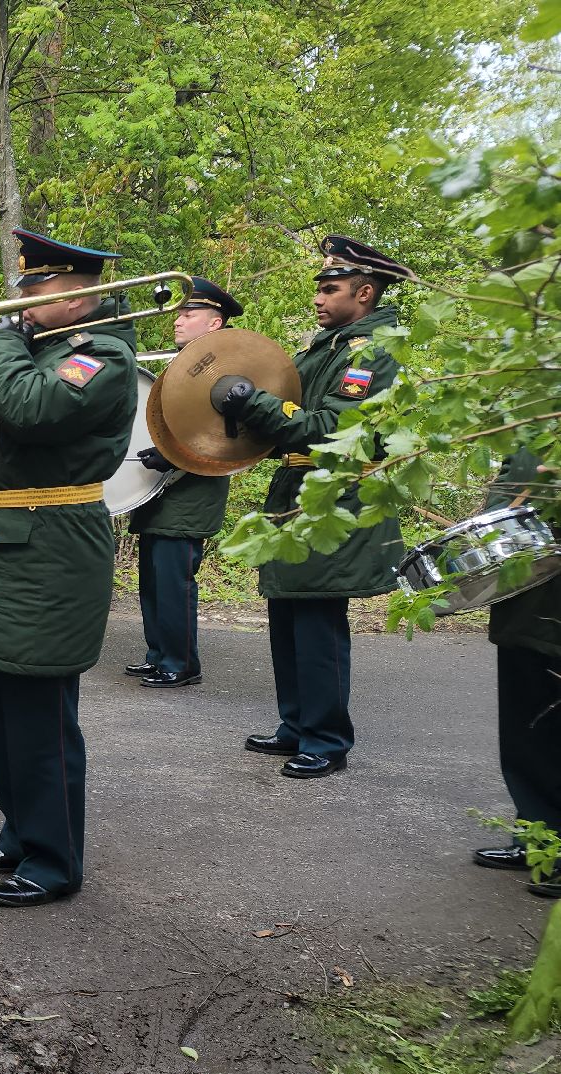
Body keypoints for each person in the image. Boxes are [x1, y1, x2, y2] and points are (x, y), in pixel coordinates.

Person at [0, 228, 136, 908]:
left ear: (78, 297)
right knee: (3, 706)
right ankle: (20, 833)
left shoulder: (97, 356)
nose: (20, 303)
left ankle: (54, 860)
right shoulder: (29, 350)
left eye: (34, 291)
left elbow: (31, 411)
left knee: (41, 717)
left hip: (47, 549)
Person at [220, 235, 408, 780]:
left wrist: (252, 404)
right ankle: (297, 724)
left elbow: (334, 429)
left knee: (318, 623)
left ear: (366, 292)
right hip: (301, 496)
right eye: (320, 287)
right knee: (289, 616)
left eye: (332, 288)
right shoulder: (328, 345)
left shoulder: (371, 351)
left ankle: (326, 739)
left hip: (335, 502)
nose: (319, 297)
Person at [124, 277, 239, 689]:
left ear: (214, 323)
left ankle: (181, 662)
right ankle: (160, 654)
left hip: (191, 490)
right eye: (179, 312)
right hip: (161, 488)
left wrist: (171, 458)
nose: (178, 320)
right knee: (154, 578)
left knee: (173, 581)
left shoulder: (224, 371)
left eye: (189, 314)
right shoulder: (188, 364)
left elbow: (222, 438)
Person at [470, 450, 561, 899]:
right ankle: (539, 839)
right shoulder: (533, 406)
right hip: (527, 585)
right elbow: (512, 475)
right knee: (526, 722)